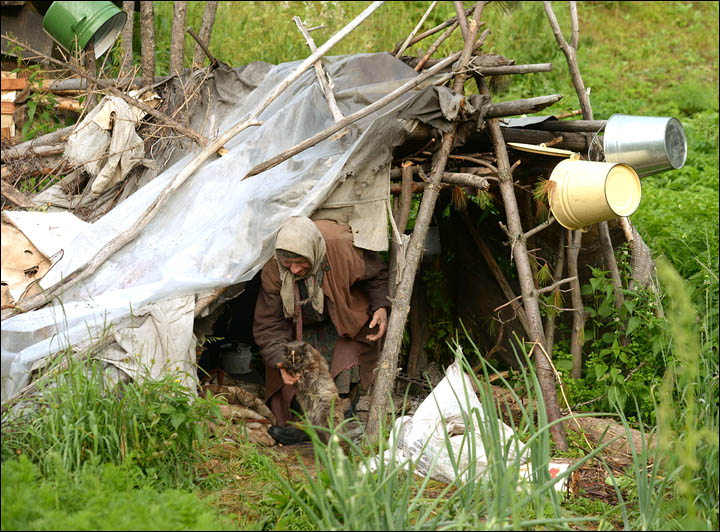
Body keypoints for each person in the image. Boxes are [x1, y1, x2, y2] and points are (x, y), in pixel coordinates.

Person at [253, 216, 389, 445]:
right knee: (295, 377)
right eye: (288, 264)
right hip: (296, 328)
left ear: (313, 253)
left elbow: (376, 276)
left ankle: (344, 417)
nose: (294, 270)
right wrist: (281, 361)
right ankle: (303, 425)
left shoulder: (340, 248)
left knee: (343, 373)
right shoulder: (274, 270)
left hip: (343, 318)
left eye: (300, 262)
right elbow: (269, 325)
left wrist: (381, 306)